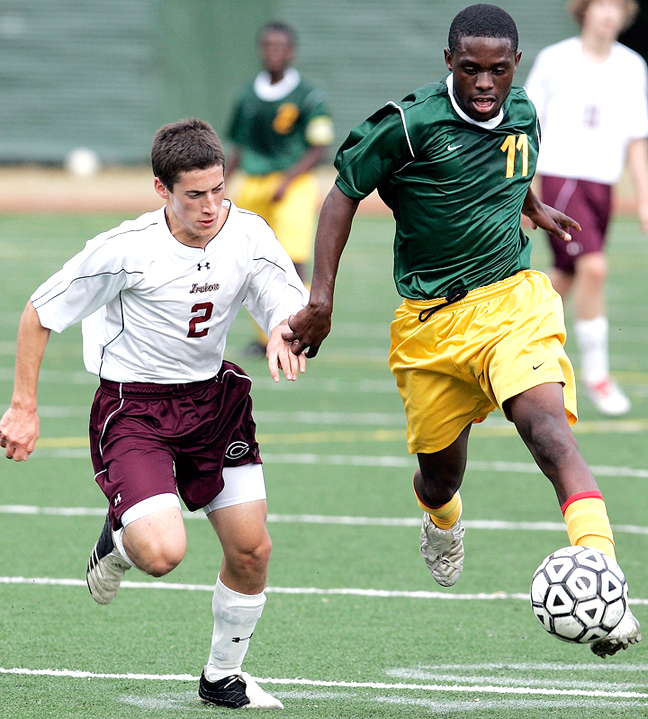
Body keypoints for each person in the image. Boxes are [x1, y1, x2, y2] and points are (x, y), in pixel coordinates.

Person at [284, 4, 641, 657]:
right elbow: (341, 194)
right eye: (470, 68)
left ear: (515, 66)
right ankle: (442, 521)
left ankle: (607, 587)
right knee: (439, 479)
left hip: (512, 302)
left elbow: (512, 166)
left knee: (549, 433)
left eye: (498, 70)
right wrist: (322, 299)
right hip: (431, 325)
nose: (484, 83)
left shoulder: (524, 111)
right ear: (448, 61)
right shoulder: (409, 124)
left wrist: (534, 206)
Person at [0, 118, 309, 709]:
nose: (211, 206)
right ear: (162, 190)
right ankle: (117, 540)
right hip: (135, 410)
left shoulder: (248, 233)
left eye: (218, 189)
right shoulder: (126, 248)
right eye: (195, 194)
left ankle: (223, 676)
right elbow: (39, 312)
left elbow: (284, 298)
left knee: (252, 550)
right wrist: (22, 407)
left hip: (214, 404)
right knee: (163, 554)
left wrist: (283, 330)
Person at [525, 0, 648, 416]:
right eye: (602, 4)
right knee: (594, 268)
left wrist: (644, 197)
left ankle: (513, 343)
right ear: (584, 10)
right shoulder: (555, 59)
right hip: (562, 179)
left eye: (618, 5)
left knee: (566, 275)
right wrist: (523, 188)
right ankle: (598, 376)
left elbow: (636, 137)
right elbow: (527, 124)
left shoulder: (632, 66)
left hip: (602, 185)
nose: (609, 13)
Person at [225, 20, 334, 356]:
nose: (274, 52)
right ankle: (264, 338)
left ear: (291, 52)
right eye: (268, 46)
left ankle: (302, 332)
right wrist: (221, 185)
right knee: (253, 263)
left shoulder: (307, 96)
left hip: (293, 185)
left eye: (280, 47)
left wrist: (287, 180)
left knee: (292, 260)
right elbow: (239, 146)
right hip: (253, 185)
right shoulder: (247, 95)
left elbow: (319, 146)